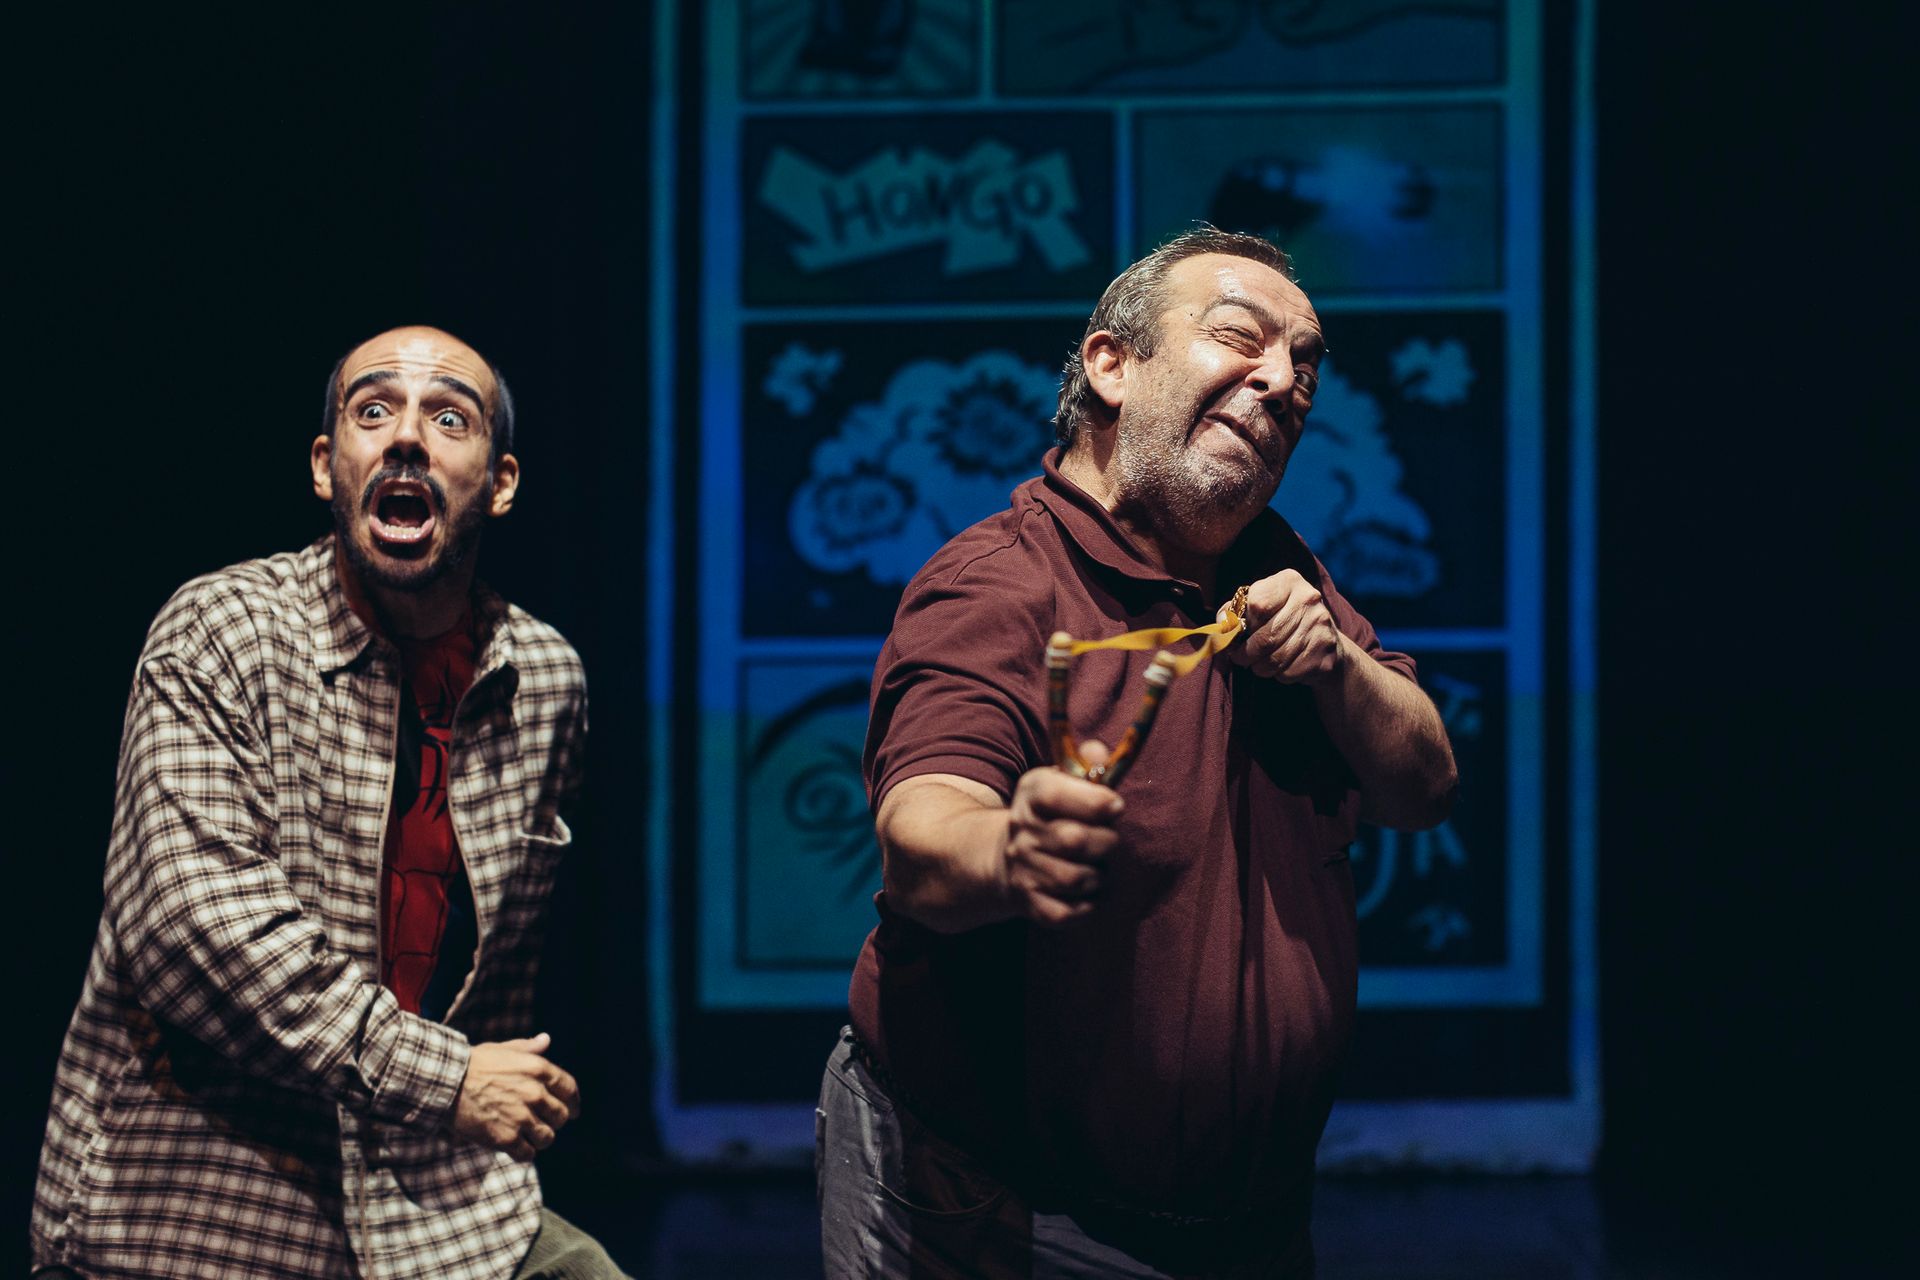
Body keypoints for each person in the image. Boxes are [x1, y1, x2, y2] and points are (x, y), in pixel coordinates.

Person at [816, 228, 1459, 1278]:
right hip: (996, 1206)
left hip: (1243, 1222)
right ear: (1112, 365)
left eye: (1305, 366)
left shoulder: (1278, 567)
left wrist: (1338, 664)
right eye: (1240, 337)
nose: (1284, 382)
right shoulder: (999, 582)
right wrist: (1010, 849)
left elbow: (1425, 786)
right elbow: (922, 829)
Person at [31, 327, 627, 1279]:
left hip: (442, 1208)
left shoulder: (545, 678)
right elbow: (196, 934)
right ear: (325, 466)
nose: (407, 437)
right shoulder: (222, 632)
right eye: (373, 410)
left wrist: (471, 1097)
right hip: (207, 1201)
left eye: (449, 418)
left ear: (501, 483)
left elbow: (498, 982)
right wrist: (448, 1080)